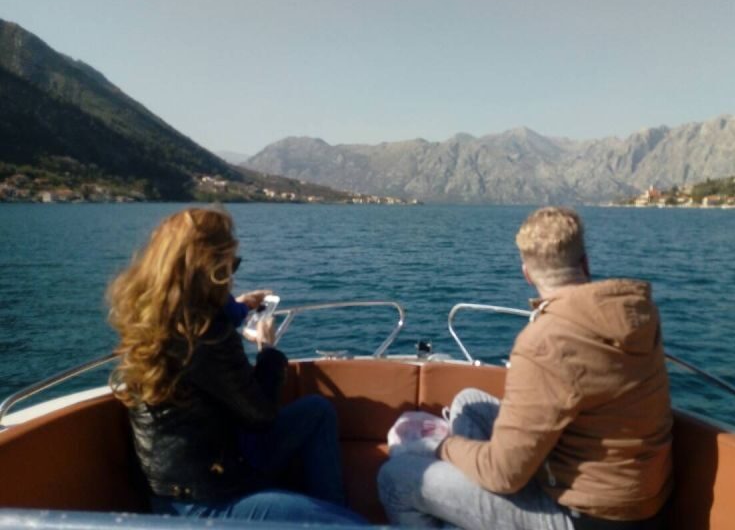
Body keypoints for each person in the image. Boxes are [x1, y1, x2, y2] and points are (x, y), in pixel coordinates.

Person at [378, 207, 673, 529]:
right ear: (585, 263)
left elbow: (502, 475)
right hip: (638, 502)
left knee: (396, 478)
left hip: (583, 517)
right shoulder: (637, 314)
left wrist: (439, 447)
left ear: (527, 274)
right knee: (469, 403)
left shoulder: (544, 342)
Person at [108, 207, 366, 525]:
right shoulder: (207, 336)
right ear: (211, 267)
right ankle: (334, 520)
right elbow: (261, 415)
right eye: (231, 264)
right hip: (206, 501)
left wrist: (238, 308)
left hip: (191, 476)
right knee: (357, 527)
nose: (232, 273)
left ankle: (327, 515)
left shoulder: (158, 315)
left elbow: (205, 314)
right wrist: (267, 351)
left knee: (316, 412)